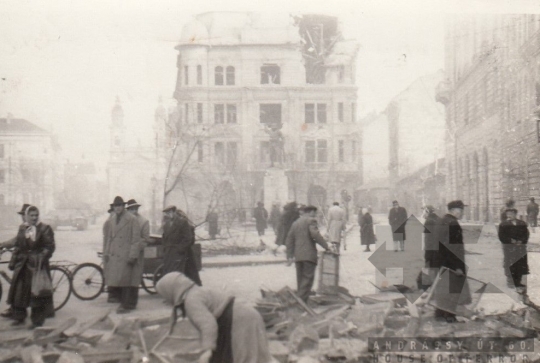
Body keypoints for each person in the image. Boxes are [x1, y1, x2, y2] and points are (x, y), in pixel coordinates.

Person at [156, 272, 272, 363]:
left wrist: (207, 350)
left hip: (240, 320)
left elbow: (208, 325)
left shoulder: (191, 301)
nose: (164, 299)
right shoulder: (196, 292)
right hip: (242, 315)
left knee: (243, 357)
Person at [7, 206, 55, 328]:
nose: (34, 217)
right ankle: (19, 317)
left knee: (36, 295)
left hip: (37, 267)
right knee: (19, 292)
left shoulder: (44, 229)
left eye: (36, 215)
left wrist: (41, 257)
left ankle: (37, 322)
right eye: (31, 215)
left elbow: (49, 247)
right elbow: (18, 245)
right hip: (22, 265)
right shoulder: (23, 228)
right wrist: (13, 261)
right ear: (27, 216)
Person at [103, 196, 144, 314]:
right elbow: (109, 238)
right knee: (118, 280)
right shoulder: (112, 219)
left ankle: (126, 305)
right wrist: (107, 252)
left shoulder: (131, 219)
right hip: (115, 254)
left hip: (126, 254)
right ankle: (122, 303)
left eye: (120, 205)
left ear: (123, 206)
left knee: (127, 281)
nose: (117, 208)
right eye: (115, 206)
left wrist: (133, 255)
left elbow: (135, 239)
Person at [433, 200, 471, 323]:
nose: (462, 213)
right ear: (455, 210)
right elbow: (455, 248)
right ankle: (450, 316)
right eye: (461, 211)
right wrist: (458, 267)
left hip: (440, 261)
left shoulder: (440, 221)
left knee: (442, 289)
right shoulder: (453, 223)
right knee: (453, 291)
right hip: (452, 263)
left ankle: (439, 314)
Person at [286, 205, 331, 303]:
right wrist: (326, 246)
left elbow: (289, 239)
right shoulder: (311, 221)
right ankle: (299, 303)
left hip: (298, 257)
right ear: (310, 212)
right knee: (307, 281)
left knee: (301, 280)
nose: (315, 215)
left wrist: (289, 255)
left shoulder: (295, 223)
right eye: (314, 213)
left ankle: (302, 302)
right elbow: (315, 235)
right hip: (309, 256)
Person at [0, 204, 31, 319]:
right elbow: (17, 240)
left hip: (26, 262)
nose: (23, 217)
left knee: (19, 287)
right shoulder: (24, 226)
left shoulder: (29, 227)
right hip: (20, 259)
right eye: (22, 215)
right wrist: (3, 245)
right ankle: (14, 309)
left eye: (24, 215)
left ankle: (19, 313)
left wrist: (3, 245)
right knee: (15, 286)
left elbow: (18, 241)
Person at [162, 205, 202, 286]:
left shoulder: (182, 222)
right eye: (166, 213)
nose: (168, 215)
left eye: (169, 212)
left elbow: (188, 238)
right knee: (170, 274)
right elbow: (164, 237)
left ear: (174, 212)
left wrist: (179, 249)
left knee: (181, 274)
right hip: (169, 254)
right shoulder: (166, 224)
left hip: (180, 254)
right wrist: (165, 248)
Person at [498, 208, 529, 292]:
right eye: (508, 214)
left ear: (515, 214)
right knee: (509, 263)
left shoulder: (522, 223)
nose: (509, 216)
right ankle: (510, 281)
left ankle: (518, 281)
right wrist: (511, 241)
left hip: (520, 247)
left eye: (511, 214)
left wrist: (522, 241)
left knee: (520, 263)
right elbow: (501, 236)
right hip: (509, 248)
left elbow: (526, 234)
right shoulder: (503, 224)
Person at [418, 205, 441, 290]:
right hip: (438, 248)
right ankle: (436, 287)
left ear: (427, 211)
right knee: (436, 268)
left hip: (430, 248)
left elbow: (427, 237)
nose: (423, 213)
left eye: (424, 211)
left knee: (428, 267)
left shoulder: (428, 221)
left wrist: (425, 249)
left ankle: (425, 287)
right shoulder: (439, 219)